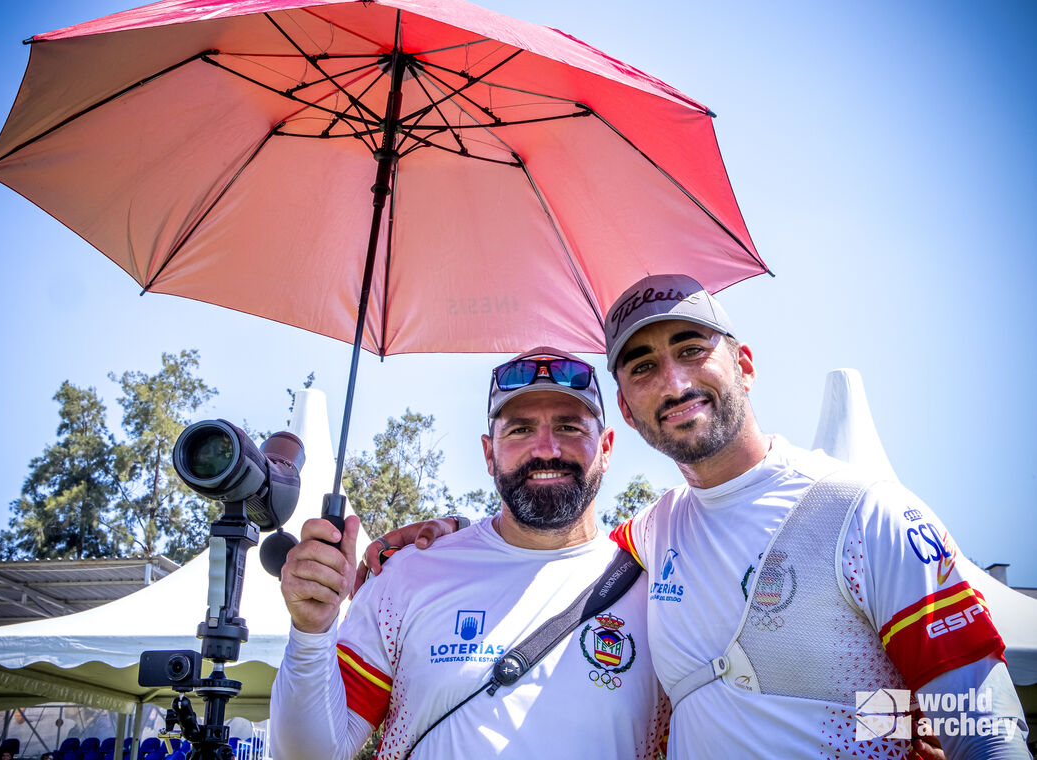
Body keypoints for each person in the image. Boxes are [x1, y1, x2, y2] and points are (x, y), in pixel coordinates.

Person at [363, 275, 1030, 760]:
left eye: (691, 349)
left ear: (743, 364)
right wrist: (440, 534)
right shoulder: (654, 534)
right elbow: (549, 545)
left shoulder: (864, 511)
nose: (674, 382)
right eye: (645, 366)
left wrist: (885, 723)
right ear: (626, 410)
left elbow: (984, 725)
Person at [269, 348, 668, 759]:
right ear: (488, 454)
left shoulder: (660, 590)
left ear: (605, 448)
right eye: (519, 430)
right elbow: (310, 754)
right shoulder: (410, 574)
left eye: (569, 427)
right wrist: (312, 630)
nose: (546, 448)